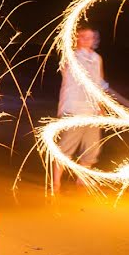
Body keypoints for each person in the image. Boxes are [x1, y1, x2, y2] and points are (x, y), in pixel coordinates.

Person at [53, 24, 107, 193]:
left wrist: (100, 106)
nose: (86, 40)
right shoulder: (71, 57)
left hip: (91, 111)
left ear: (94, 39)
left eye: (89, 37)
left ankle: (81, 181)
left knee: (92, 150)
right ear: (76, 38)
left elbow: (99, 83)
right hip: (74, 109)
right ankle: (56, 184)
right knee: (66, 149)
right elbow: (67, 69)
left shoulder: (97, 59)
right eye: (82, 36)